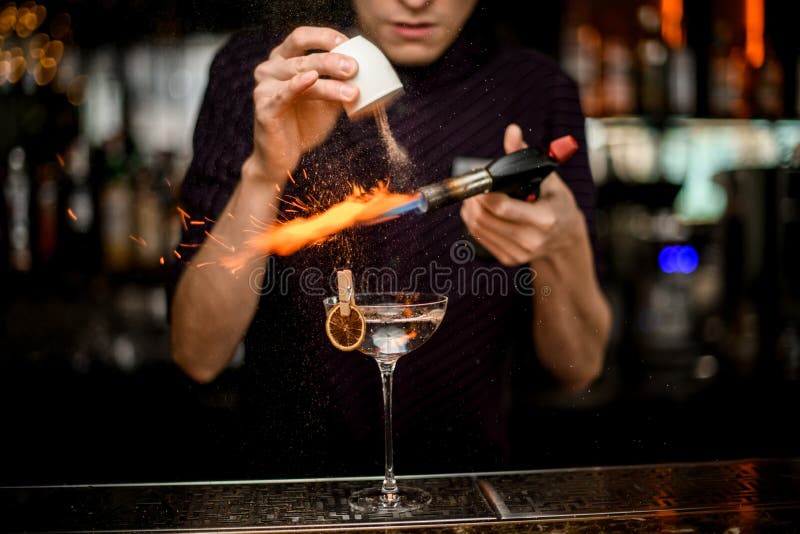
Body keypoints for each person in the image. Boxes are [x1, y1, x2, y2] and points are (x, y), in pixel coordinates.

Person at [170, 0, 611, 477]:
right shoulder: (263, 75)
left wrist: (563, 245)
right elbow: (197, 354)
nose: (417, 1)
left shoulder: (537, 89)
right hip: (289, 490)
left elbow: (579, 368)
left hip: (463, 490)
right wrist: (264, 173)